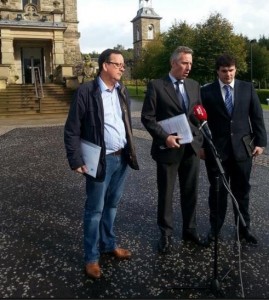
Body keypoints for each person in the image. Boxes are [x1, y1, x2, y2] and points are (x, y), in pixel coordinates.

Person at [64, 48, 139, 279]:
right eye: (118, 64)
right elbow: (72, 129)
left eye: (123, 65)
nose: (122, 68)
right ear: (105, 65)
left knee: (112, 206)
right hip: (100, 159)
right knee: (95, 210)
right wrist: (75, 160)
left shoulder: (121, 91)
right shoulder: (87, 91)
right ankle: (91, 258)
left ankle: (109, 244)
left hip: (122, 157)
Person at [141, 46, 206, 254]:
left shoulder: (195, 86)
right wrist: (165, 137)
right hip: (168, 148)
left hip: (191, 149)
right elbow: (147, 117)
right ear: (173, 63)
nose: (189, 67)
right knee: (166, 194)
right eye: (185, 63)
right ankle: (166, 235)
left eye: (190, 63)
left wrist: (199, 138)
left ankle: (190, 230)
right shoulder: (157, 86)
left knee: (191, 192)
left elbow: (198, 115)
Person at [201, 53, 267, 245]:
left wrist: (260, 142)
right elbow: (200, 122)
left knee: (242, 191)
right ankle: (215, 230)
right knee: (218, 193)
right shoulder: (207, 92)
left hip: (242, 150)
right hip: (216, 151)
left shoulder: (247, 88)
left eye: (231, 70)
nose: (228, 74)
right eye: (224, 71)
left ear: (235, 69)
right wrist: (201, 147)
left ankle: (244, 229)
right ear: (217, 71)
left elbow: (256, 116)